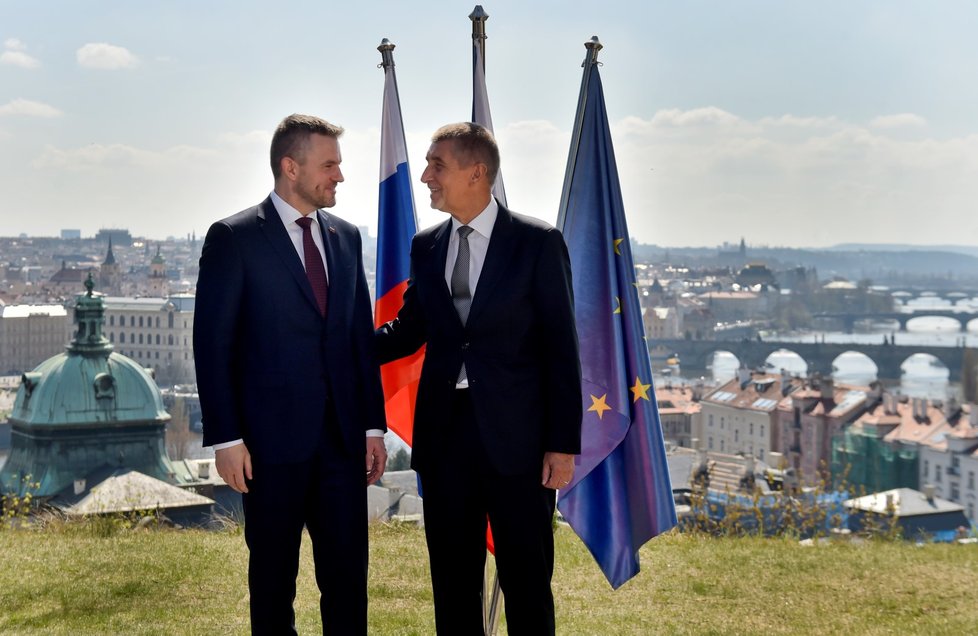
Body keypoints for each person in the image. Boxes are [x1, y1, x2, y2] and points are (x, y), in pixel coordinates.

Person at [375, 122, 583, 634]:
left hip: (520, 443)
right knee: (451, 584)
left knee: (528, 584)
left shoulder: (537, 243)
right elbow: (409, 330)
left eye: (437, 165)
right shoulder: (425, 247)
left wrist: (562, 445)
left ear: (478, 172)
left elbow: (562, 348)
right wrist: (334, 345)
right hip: (446, 440)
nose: (426, 176)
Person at [194, 114, 387, 635]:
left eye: (340, 166)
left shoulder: (346, 237)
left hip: (344, 445)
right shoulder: (234, 238)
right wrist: (227, 438)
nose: (340, 176)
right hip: (268, 447)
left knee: (348, 582)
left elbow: (356, 340)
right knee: (274, 583)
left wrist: (372, 426)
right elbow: (212, 345)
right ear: (290, 166)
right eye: (330, 165)